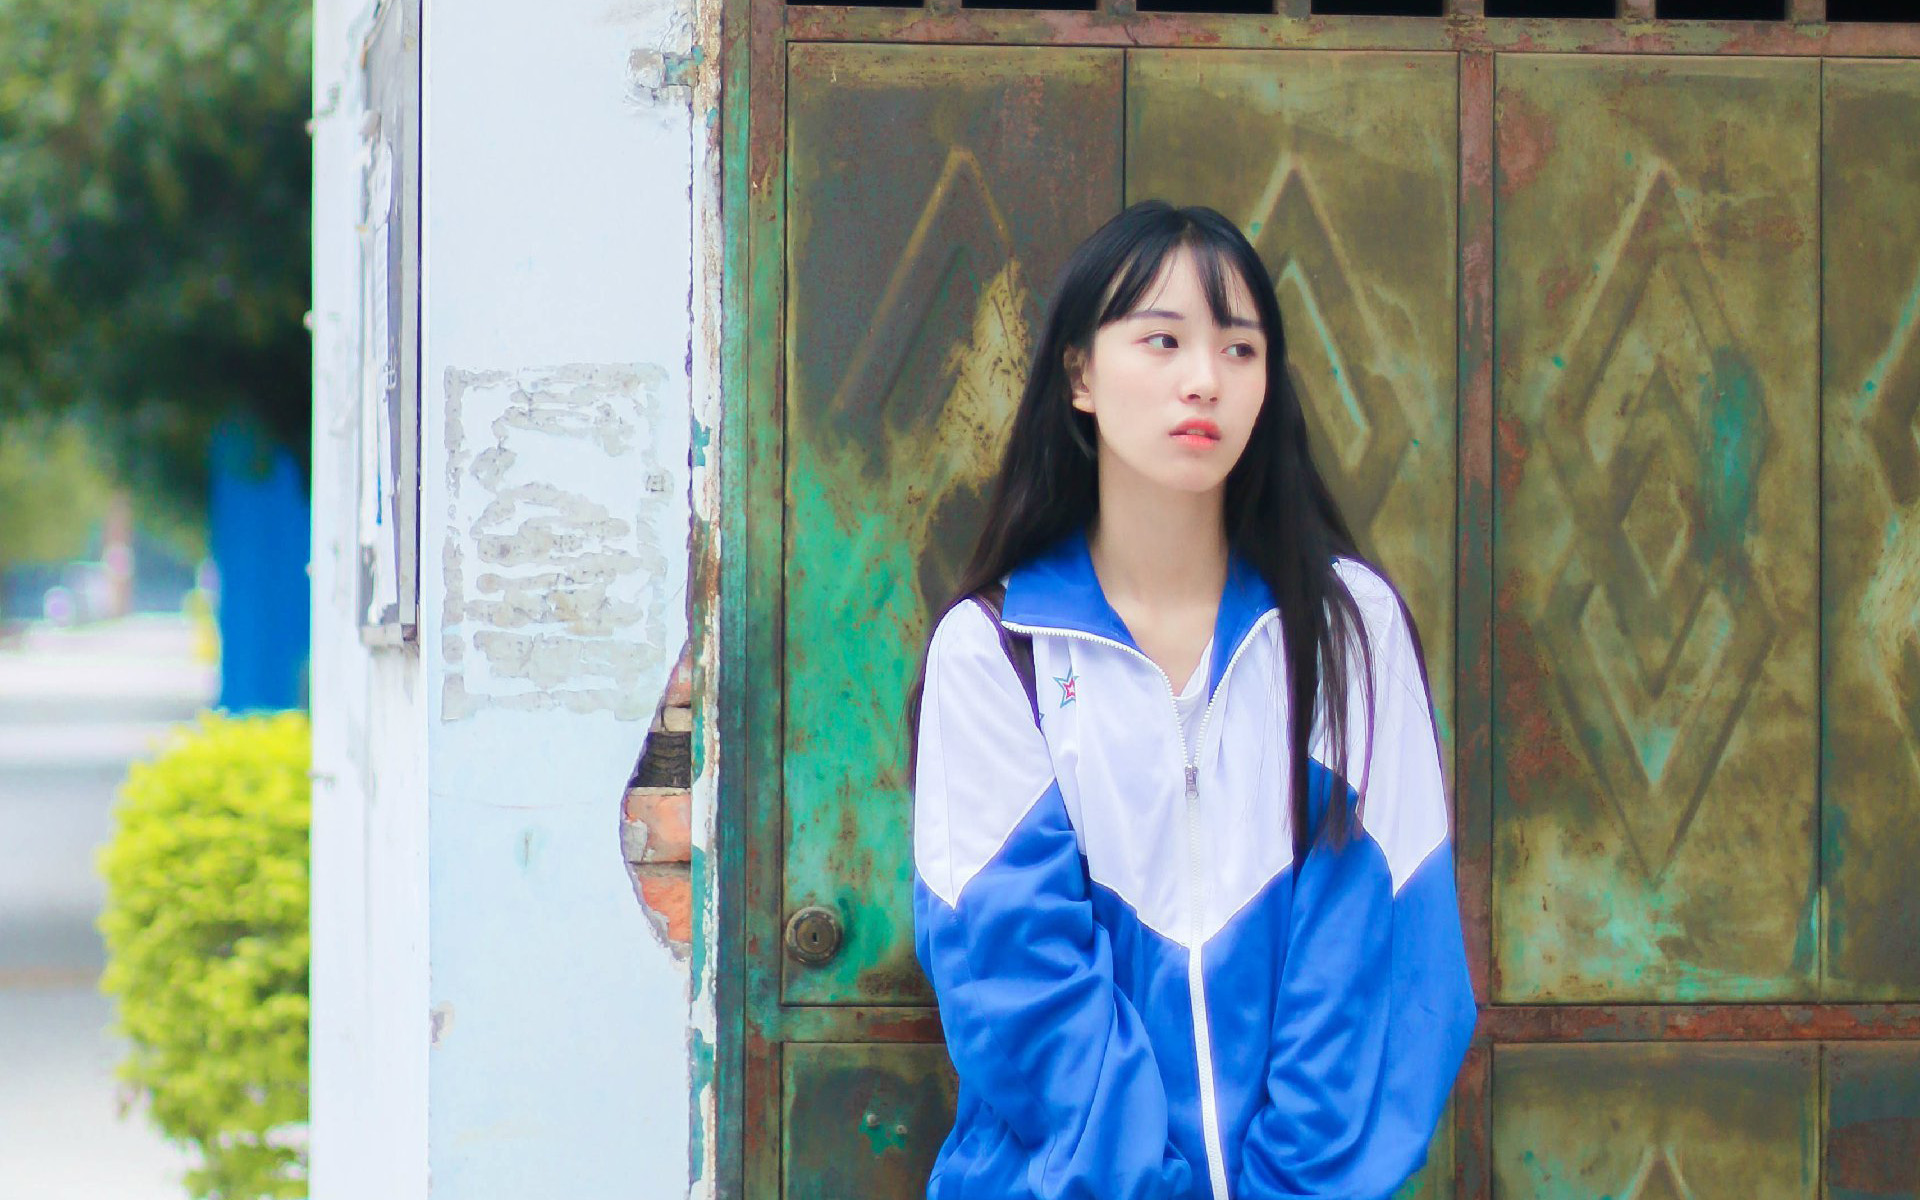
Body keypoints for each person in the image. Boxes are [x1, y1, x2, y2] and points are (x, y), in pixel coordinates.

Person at [905, 200, 1477, 1200]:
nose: (1204, 378)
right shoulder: (997, 651)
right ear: (1080, 375)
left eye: (1241, 349)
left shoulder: (1348, 629)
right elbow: (1019, 985)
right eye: (1162, 340)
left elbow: (1378, 967)